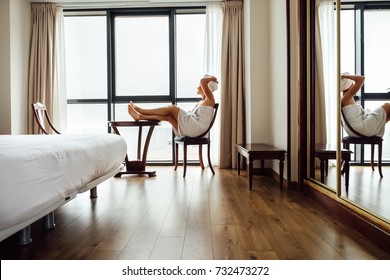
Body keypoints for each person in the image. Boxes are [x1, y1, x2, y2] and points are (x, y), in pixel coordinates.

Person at [128, 75, 218, 138]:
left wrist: (212, 78)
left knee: (173, 108)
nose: (198, 87)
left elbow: (203, 81)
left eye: (200, 86)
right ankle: (140, 116)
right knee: (168, 117)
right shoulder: (202, 101)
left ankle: (141, 110)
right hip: (195, 129)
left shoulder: (210, 99)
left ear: (205, 88)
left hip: (197, 129)